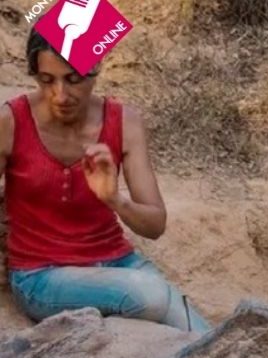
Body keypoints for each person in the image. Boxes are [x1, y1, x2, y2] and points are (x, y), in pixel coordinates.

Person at [0, 30, 210, 333]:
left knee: (203, 334)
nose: (60, 94)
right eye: (47, 80)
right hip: (41, 276)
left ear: (95, 71)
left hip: (119, 264)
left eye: (74, 79)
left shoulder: (125, 122)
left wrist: (115, 199)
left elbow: (155, 225)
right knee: (151, 294)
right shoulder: (10, 122)